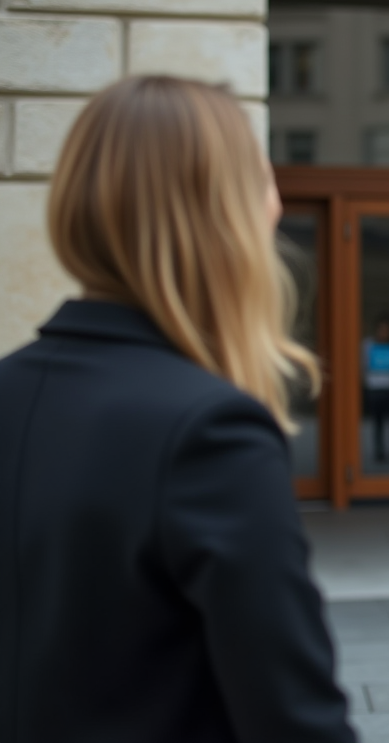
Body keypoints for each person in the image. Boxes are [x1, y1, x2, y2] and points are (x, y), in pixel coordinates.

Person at [0, 76, 356, 742]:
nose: (276, 206)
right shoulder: (211, 431)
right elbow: (297, 722)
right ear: (221, 216)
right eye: (261, 183)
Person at [362, 316, 389, 463]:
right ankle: (379, 451)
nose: (384, 333)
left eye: (387, 330)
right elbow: (362, 365)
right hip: (374, 389)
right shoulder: (368, 345)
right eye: (382, 330)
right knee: (377, 422)